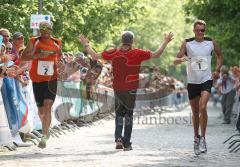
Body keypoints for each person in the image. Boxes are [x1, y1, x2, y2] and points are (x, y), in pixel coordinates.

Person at [79, 31, 173, 151]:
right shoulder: (138, 53)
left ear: (122, 40)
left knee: (119, 114)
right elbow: (157, 54)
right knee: (128, 115)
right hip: (131, 89)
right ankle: (127, 143)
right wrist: (165, 41)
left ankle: (118, 138)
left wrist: (86, 44)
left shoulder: (114, 53)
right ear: (132, 41)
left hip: (118, 88)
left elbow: (95, 56)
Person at [173, 20, 223, 155]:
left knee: (202, 107)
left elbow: (219, 56)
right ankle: (196, 138)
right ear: (194, 30)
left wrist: (217, 70)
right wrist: (182, 59)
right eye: (198, 30)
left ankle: (204, 139)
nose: (200, 32)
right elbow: (176, 59)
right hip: (192, 82)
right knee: (195, 112)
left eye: (203, 30)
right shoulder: (187, 43)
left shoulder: (210, 42)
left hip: (206, 80)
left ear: (205, 31)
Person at [21, 21, 62, 148]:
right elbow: (23, 57)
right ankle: (46, 128)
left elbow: (60, 58)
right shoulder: (34, 41)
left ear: (51, 30)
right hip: (37, 80)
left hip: (52, 79)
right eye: (42, 29)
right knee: (41, 111)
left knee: (48, 105)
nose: (45, 31)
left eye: (47, 29)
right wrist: (38, 55)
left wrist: (62, 68)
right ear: (40, 30)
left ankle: (44, 136)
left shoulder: (57, 43)